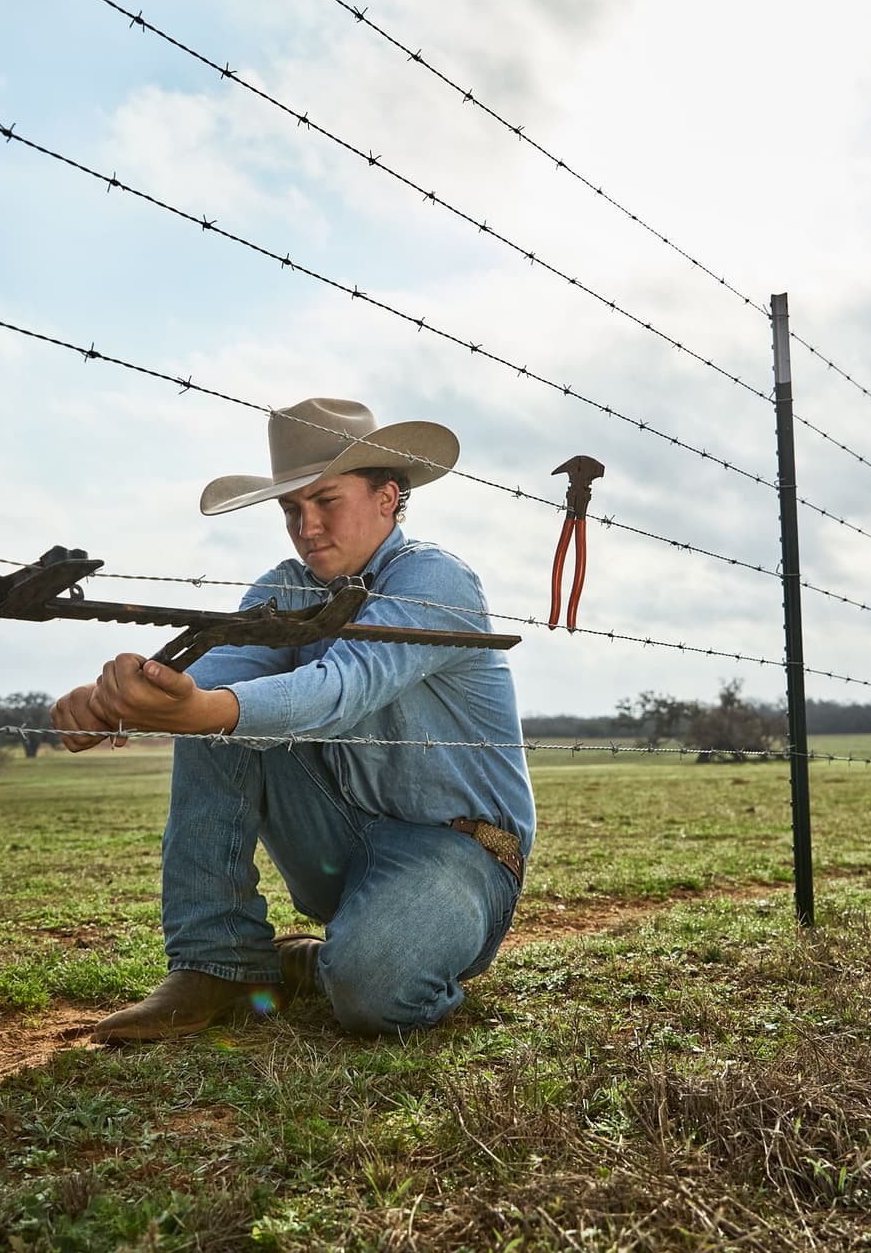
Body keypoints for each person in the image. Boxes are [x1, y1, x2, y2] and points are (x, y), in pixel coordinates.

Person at [50, 397, 535, 1041]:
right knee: (217, 715)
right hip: (338, 837)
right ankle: (216, 965)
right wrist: (114, 698)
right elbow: (215, 674)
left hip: (457, 849)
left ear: (387, 497)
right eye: (290, 508)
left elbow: (344, 687)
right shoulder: (288, 585)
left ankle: (321, 962)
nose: (307, 526)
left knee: (373, 997)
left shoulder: (434, 579)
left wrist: (201, 706)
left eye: (326, 501)